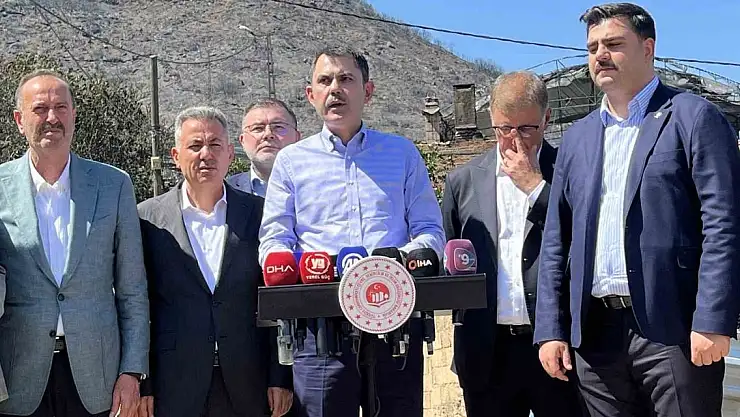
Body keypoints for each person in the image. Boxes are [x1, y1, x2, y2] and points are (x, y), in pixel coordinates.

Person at [534, 3, 740, 417]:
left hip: (674, 331)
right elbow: (557, 240)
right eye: (592, 47)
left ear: (648, 48)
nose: (600, 55)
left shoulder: (694, 118)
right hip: (595, 337)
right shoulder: (577, 138)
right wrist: (551, 329)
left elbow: (724, 224)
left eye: (613, 44)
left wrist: (713, 319)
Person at [258, 47, 445, 417]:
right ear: (311, 94)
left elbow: (429, 230)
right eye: (325, 81)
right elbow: (274, 240)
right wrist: (293, 266)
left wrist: (399, 262)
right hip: (318, 328)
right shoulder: (291, 161)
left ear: (368, 91)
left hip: (395, 320)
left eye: (346, 79)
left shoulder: (402, 154)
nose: (335, 89)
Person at [0, 70, 149, 417]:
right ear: (20, 121)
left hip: (97, 379)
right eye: (40, 109)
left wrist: (132, 371)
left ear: (73, 115)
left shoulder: (114, 185)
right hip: (19, 379)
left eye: (61, 108)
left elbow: (132, 290)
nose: (52, 118)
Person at [442, 71, 583, 417]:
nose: (515, 140)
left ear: (547, 119)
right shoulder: (462, 182)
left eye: (526, 129)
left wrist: (536, 186)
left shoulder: (572, 171)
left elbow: (582, 238)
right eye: (504, 128)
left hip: (557, 347)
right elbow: (453, 261)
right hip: (486, 352)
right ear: (492, 119)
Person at [137, 106, 293, 417]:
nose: (205, 154)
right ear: (175, 155)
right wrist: (145, 383)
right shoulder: (146, 218)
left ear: (230, 153)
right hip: (174, 383)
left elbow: (276, 299)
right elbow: (139, 305)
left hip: (249, 381)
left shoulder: (261, 214)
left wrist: (280, 376)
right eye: (195, 145)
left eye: (215, 145)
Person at [229, 98, 301, 197]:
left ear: (297, 138)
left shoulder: (318, 186)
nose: (268, 134)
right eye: (258, 128)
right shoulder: (223, 191)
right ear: (243, 141)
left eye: (278, 127)